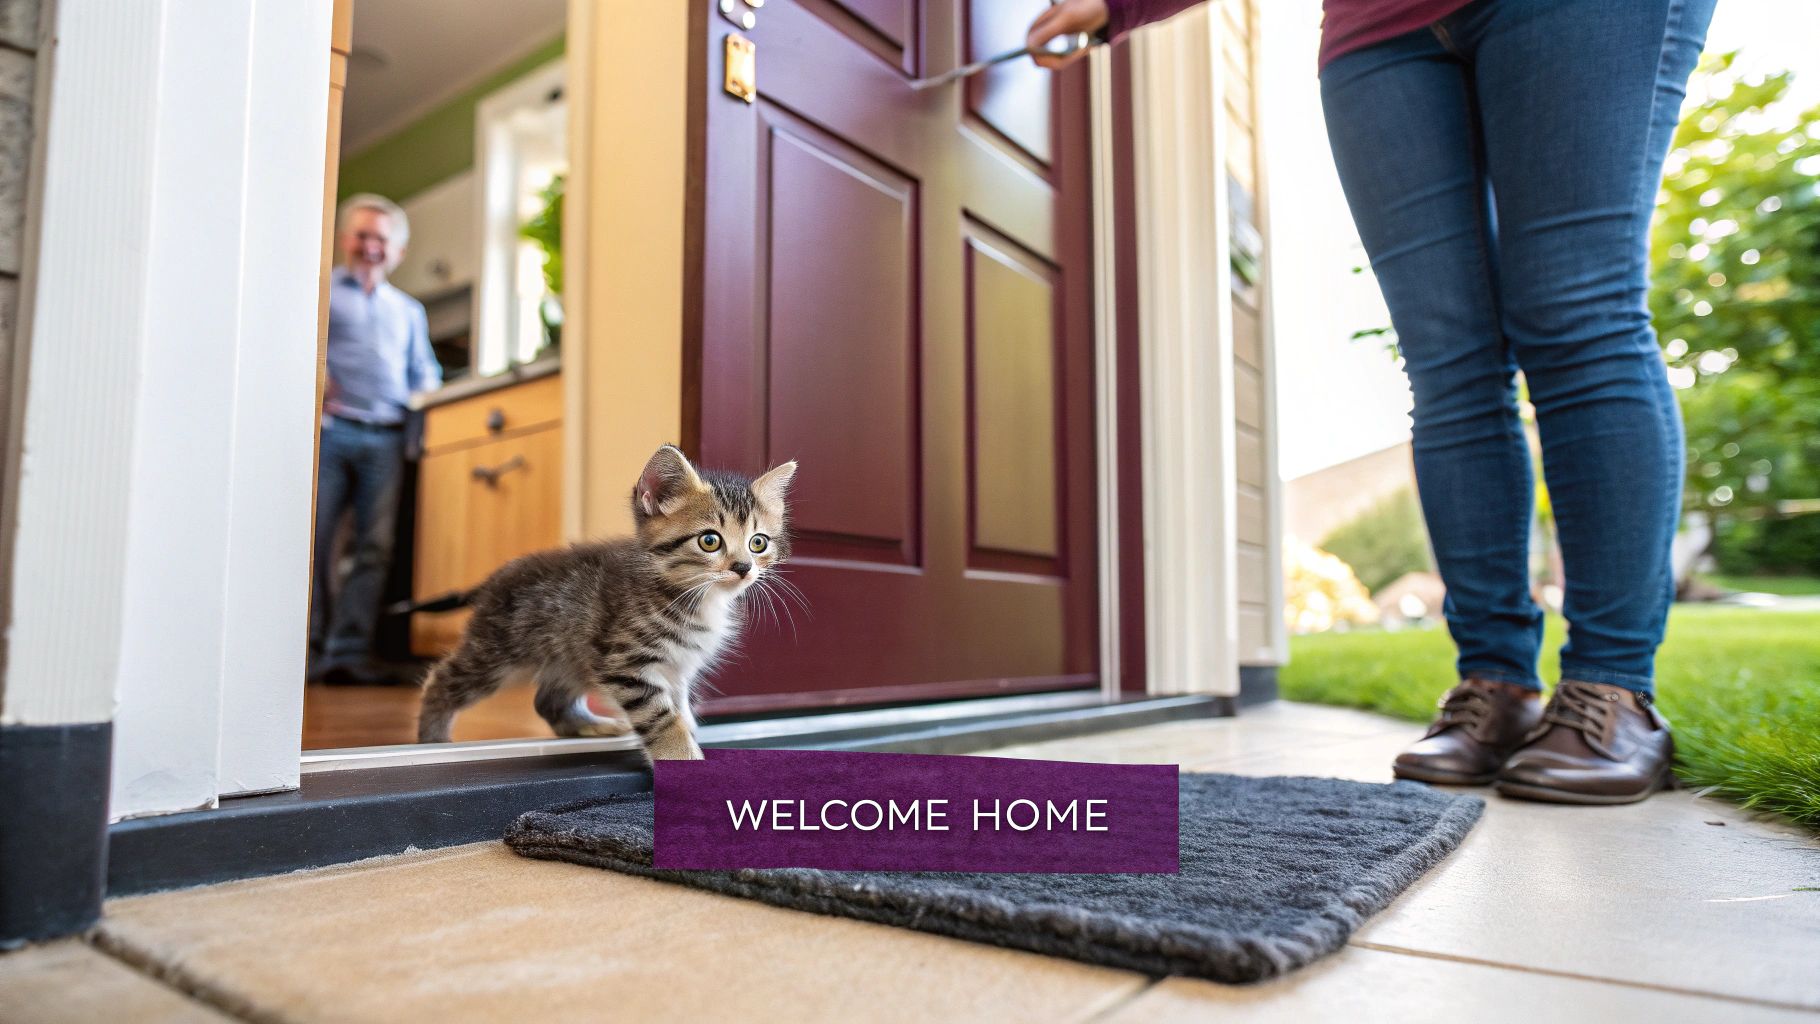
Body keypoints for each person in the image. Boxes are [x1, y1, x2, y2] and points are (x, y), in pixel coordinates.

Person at [1029, 0, 1714, 804]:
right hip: (1377, 28)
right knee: (1448, 362)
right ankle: (1495, 685)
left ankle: (1611, 690)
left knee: (1576, 313)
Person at [310, 194, 443, 685]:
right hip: (330, 432)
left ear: (398, 251)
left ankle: (347, 653)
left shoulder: (407, 310)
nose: (370, 246)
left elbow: (424, 372)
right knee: (314, 544)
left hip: (386, 438)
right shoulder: (323, 292)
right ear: (347, 240)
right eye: (362, 235)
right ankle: (307, 652)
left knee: (374, 548)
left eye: (380, 239)